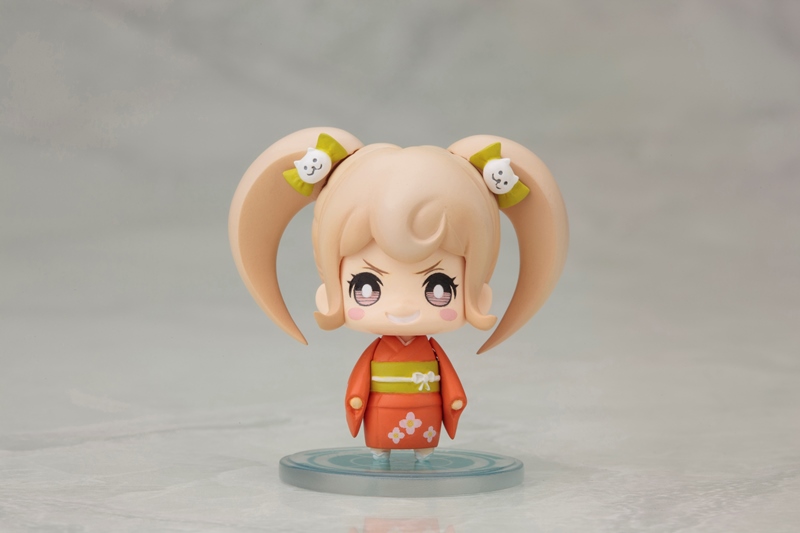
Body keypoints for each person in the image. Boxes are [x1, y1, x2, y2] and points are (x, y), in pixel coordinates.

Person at [229, 127, 568, 460]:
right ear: (330, 289)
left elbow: (448, 382)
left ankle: (422, 453)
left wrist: (452, 400)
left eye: (439, 287)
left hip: (425, 414)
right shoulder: (385, 352)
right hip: (382, 415)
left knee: (423, 441)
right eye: (367, 286)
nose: (403, 307)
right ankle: (381, 451)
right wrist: (357, 400)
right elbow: (361, 382)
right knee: (381, 438)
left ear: (477, 291)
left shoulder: (429, 352)